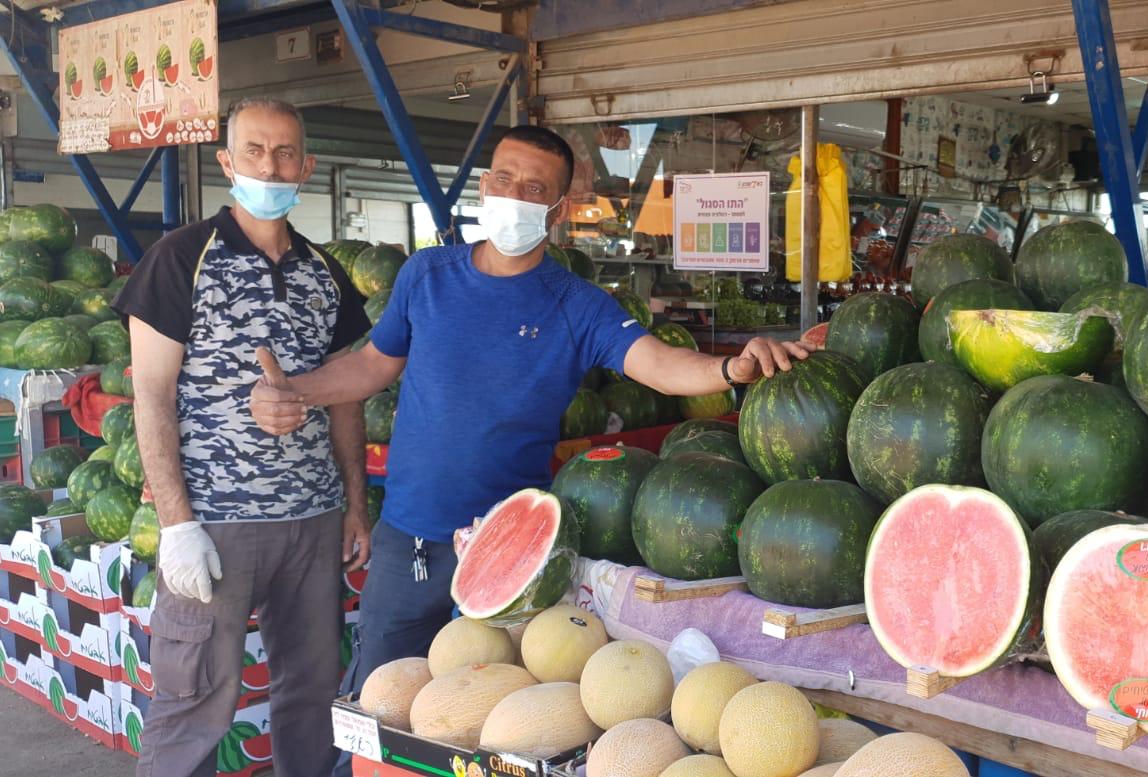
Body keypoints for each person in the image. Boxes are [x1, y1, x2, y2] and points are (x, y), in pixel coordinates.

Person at [245, 126, 811, 765]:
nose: (514, 195)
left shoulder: (576, 304)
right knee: (380, 723)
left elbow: (655, 363)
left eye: (535, 188)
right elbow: (374, 365)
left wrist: (730, 369)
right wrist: (297, 390)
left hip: (517, 556)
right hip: (411, 543)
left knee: (495, 733)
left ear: (559, 210)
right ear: (485, 184)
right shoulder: (425, 275)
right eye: (504, 179)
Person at [117, 97, 373, 777]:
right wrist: (176, 524)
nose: (271, 164)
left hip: (312, 521)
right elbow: (151, 393)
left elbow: (347, 398)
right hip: (217, 523)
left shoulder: (326, 275)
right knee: (194, 699)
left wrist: (354, 504)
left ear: (307, 166)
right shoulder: (179, 260)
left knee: (313, 696)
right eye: (254, 151)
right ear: (227, 161)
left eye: (285, 151)